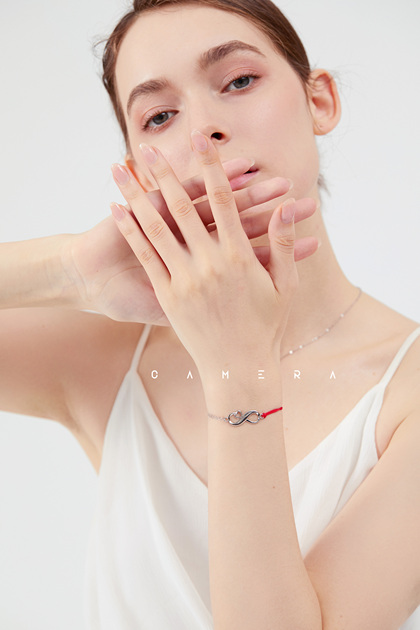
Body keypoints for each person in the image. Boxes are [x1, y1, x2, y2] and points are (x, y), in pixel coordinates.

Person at [1, 0, 419, 628]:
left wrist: (239, 367)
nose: (204, 132)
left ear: (320, 101)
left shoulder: (408, 391)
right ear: (138, 169)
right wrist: (73, 269)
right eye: (160, 116)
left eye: (239, 80)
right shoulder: (109, 357)